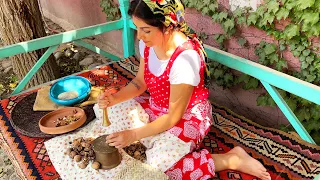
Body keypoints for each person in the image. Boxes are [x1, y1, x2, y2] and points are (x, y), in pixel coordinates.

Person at [98, 0, 271, 179]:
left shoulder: (184, 60)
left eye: (146, 30)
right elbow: (139, 83)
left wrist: (133, 134)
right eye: (137, 28)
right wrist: (114, 99)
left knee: (158, 169)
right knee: (105, 109)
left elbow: (173, 116)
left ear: (167, 27)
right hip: (156, 108)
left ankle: (230, 159)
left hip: (186, 117)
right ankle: (155, 140)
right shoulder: (148, 44)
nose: (140, 36)